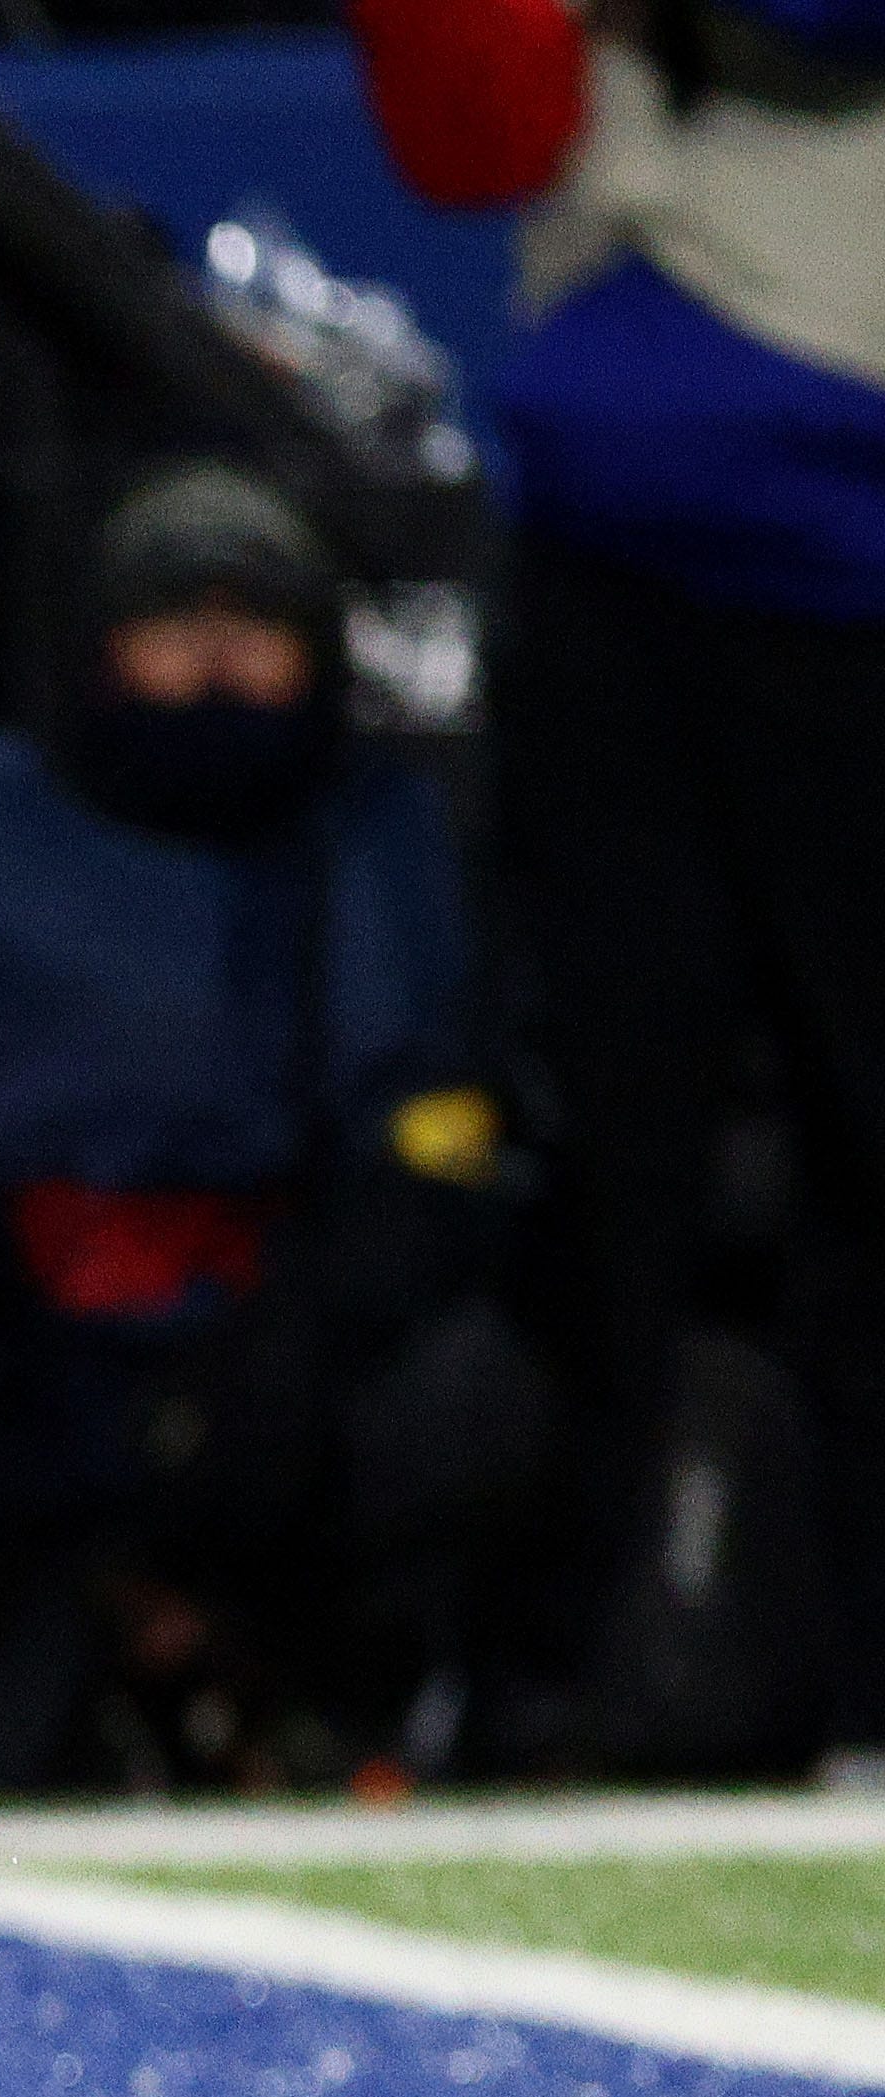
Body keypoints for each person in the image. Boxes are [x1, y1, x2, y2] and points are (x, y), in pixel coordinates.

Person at [0, 461, 526, 1792]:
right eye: (178, 628)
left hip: (284, 1384)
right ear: (100, 648)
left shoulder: (382, 853)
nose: (218, 671)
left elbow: (433, 1154)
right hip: (5, 1371)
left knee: (475, 1383)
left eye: (258, 632)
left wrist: (260, 1372)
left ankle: (368, 1710)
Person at [348, 0, 885, 1764]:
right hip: (609, 576)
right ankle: (574, 1669)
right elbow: (465, 140)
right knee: (589, 1150)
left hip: (850, 584)